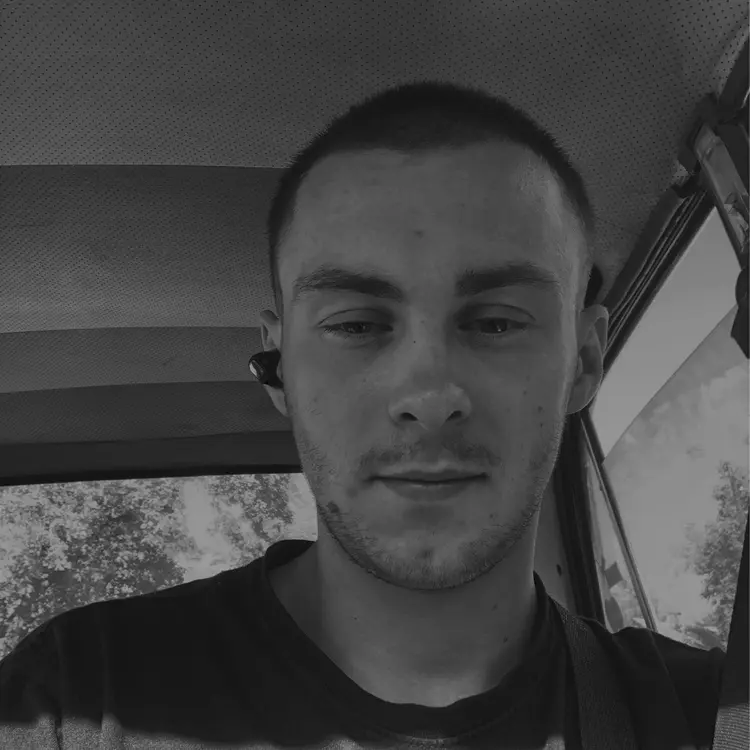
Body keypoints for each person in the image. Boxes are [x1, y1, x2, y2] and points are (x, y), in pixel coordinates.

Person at [0, 81, 724, 749]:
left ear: (585, 361)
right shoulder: (76, 703)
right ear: (281, 365)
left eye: (498, 322)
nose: (429, 396)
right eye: (355, 324)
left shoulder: (710, 717)